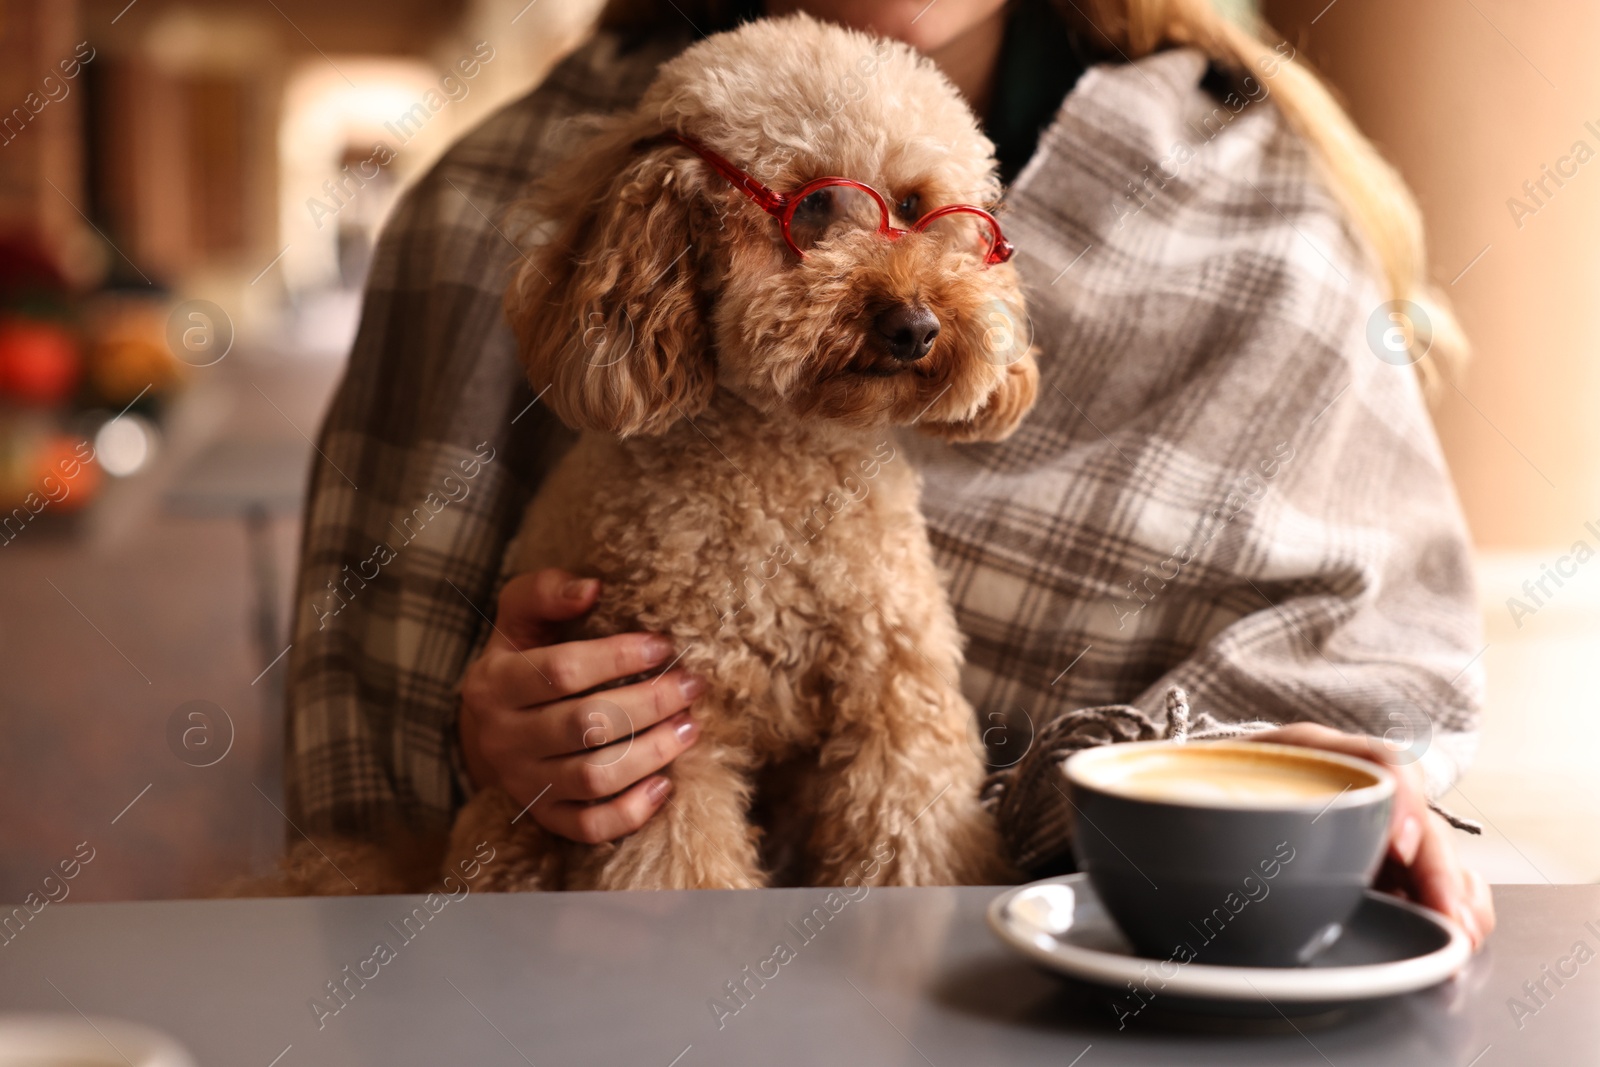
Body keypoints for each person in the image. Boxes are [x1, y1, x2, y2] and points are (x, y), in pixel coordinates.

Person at [285, 0, 1495, 944]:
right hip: (593, 990)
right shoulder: (482, 207)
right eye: (810, 217)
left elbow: (1368, 661)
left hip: (1125, 978)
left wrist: (1276, 769)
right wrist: (501, 754)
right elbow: (370, 761)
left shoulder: (1273, 216)